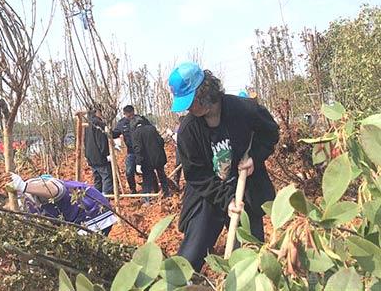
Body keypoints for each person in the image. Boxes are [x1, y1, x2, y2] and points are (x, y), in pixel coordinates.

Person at [169, 61, 279, 272]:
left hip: (245, 189)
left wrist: (254, 158)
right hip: (208, 194)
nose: (189, 108)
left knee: (251, 257)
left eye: (191, 101)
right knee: (190, 257)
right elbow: (196, 175)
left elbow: (270, 133)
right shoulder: (188, 131)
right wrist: (225, 199)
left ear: (204, 93)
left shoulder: (245, 110)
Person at [9, 173, 117, 235]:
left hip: (92, 211)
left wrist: (24, 187)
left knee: (85, 254)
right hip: (77, 216)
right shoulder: (22, 212)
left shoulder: (31, 190)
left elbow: (55, 189)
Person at [112, 105, 151, 194]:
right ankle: (133, 189)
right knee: (129, 171)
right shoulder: (122, 123)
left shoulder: (141, 120)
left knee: (146, 171)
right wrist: (107, 132)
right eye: (128, 116)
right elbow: (115, 134)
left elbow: (150, 130)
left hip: (143, 151)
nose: (131, 118)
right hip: (131, 152)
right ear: (125, 115)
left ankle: (147, 191)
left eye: (132, 115)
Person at [130, 117, 171, 198]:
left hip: (146, 161)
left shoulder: (136, 133)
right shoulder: (152, 128)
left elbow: (138, 149)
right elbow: (161, 141)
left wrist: (138, 163)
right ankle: (166, 193)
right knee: (162, 176)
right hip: (158, 158)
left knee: (148, 179)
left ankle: (148, 198)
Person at [84, 107, 113, 194]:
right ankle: (104, 200)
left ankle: (97, 198)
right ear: (97, 112)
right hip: (100, 156)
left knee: (97, 179)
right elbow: (102, 140)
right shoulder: (99, 124)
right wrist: (106, 154)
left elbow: (85, 141)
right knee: (106, 177)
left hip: (91, 157)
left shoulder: (88, 124)